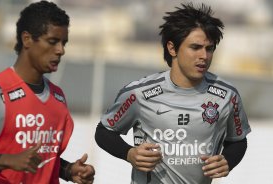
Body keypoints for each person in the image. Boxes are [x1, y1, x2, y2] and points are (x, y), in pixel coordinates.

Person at [95, 3, 251, 184]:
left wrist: (228, 161)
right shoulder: (139, 94)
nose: (204, 56)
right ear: (172, 48)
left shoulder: (227, 95)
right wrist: (129, 153)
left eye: (209, 49)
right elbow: (104, 132)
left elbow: (238, 141)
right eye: (195, 47)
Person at [0, 1, 95, 183]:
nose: (60, 50)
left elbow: (44, 160)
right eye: (52, 41)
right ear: (27, 39)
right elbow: (16, 160)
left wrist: (68, 170)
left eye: (64, 43)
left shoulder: (58, 97)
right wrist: (6, 160)